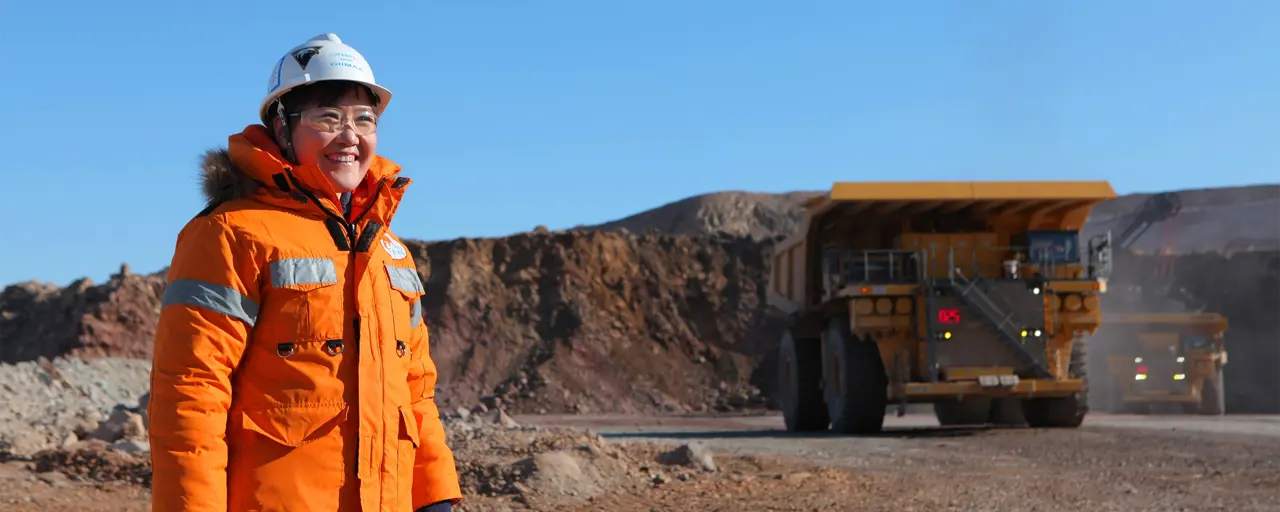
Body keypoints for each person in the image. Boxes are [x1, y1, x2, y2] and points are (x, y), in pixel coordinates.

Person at [147, 33, 462, 511]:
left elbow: (416, 396)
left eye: (364, 119)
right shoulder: (230, 234)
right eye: (328, 118)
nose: (350, 135)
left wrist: (435, 497)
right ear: (281, 125)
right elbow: (191, 395)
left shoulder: (390, 253)